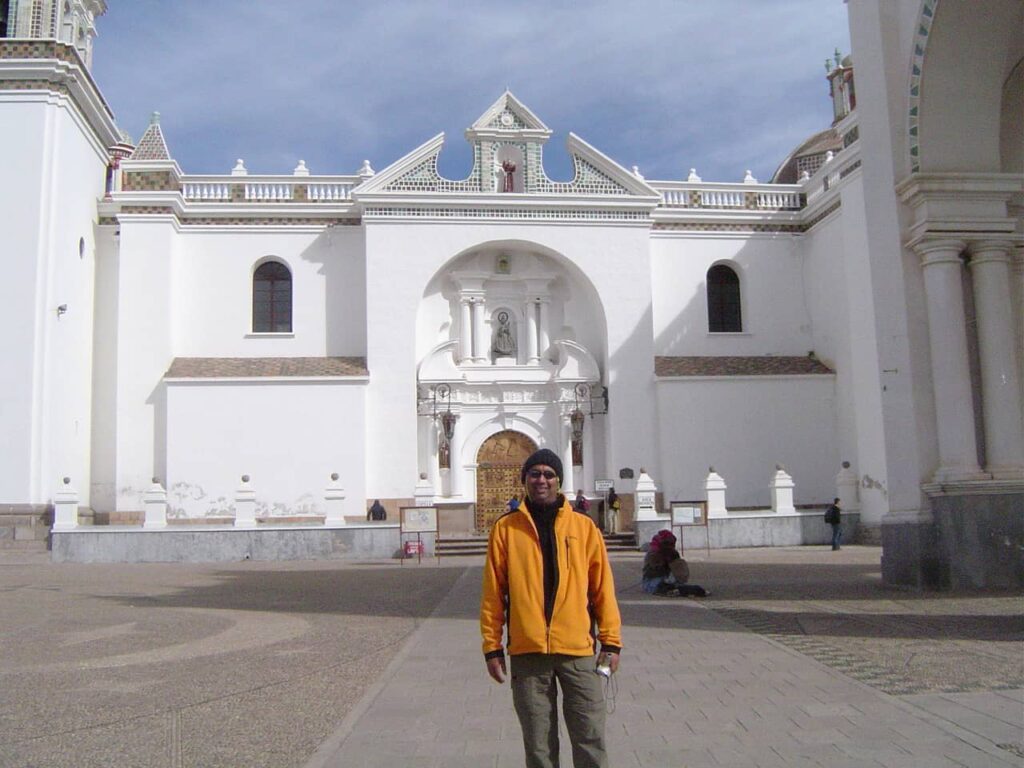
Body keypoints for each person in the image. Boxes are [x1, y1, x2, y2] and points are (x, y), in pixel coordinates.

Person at [481, 448, 622, 768]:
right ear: (524, 480)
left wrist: (611, 641)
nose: (541, 480)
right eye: (534, 474)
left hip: (577, 650)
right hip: (528, 652)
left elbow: (603, 589)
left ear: (559, 480)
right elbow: (493, 594)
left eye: (548, 474)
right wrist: (492, 647)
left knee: (590, 737)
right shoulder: (506, 529)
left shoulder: (584, 528)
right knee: (538, 744)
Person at [641, 530, 708, 598]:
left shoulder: (673, 553)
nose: (669, 546)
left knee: (676, 585)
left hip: (670, 578)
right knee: (658, 586)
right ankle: (670, 589)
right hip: (653, 579)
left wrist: (672, 560)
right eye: (667, 544)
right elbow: (653, 570)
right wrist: (664, 561)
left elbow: (679, 571)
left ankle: (687, 590)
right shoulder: (653, 553)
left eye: (671, 544)